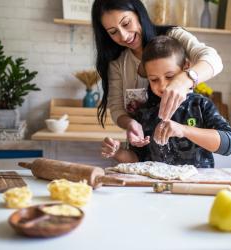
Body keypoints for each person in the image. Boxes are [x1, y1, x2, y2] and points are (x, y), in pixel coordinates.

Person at [92, 0, 223, 147]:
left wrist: (183, 80)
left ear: (138, 13)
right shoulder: (117, 63)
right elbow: (117, 109)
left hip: (186, 149)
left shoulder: (174, 37)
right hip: (144, 151)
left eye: (126, 23)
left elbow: (213, 60)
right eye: (113, 32)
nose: (123, 36)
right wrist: (131, 124)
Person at [101, 36, 231, 168]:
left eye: (170, 76)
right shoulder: (144, 112)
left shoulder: (200, 105)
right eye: (154, 79)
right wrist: (118, 153)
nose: (163, 85)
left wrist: (184, 130)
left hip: (196, 184)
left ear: (186, 67)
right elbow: (139, 160)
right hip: (156, 187)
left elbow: (228, 144)